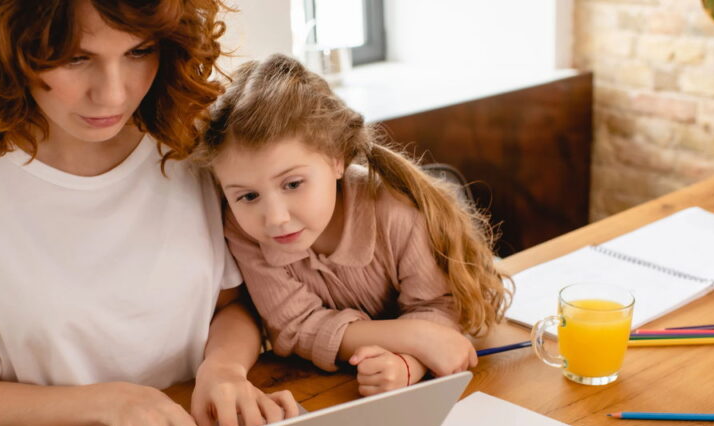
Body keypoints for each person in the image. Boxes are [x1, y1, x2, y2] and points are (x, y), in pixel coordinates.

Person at [0, 0, 298, 426]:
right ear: (7, 50)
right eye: (76, 58)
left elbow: (231, 304)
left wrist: (224, 370)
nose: (114, 95)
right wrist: (113, 403)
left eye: (139, 52)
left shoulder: (189, 137)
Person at [194, 54, 511, 397]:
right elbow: (294, 327)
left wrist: (408, 364)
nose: (275, 218)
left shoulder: (395, 211)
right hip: (324, 391)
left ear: (336, 159)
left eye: (293, 184)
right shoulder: (242, 231)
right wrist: (413, 338)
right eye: (248, 196)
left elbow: (441, 314)